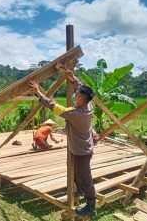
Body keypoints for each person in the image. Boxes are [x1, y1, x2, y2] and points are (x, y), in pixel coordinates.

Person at [29, 71, 97, 217]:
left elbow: (52, 105)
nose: (74, 94)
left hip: (82, 152)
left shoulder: (74, 114)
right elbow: (82, 86)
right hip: (79, 147)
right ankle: (77, 190)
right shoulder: (89, 104)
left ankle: (91, 205)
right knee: (73, 170)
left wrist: (38, 92)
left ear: (80, 99)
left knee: (85, 178)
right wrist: (73, 78)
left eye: (76, 94)